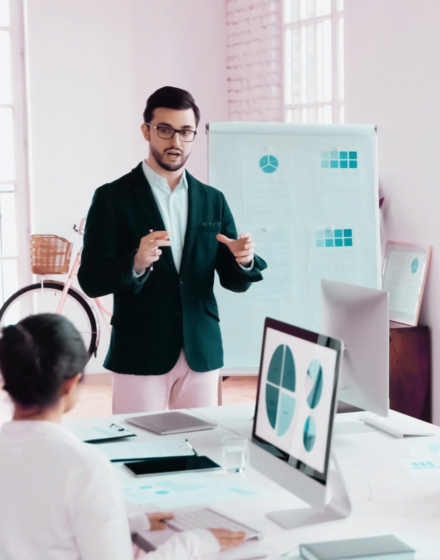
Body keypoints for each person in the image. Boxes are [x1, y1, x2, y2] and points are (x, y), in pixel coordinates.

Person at [78, 86, 266, 414]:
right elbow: (91, 279)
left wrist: (243, 260)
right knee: (138, 450)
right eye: (165, 130)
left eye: (185, 132)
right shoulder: (112, 198)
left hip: (201, 352)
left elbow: (233, 282)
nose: (175, 141)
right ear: (146, 130)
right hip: (140, 350)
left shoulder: (212, 200)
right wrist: (135, 262)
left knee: (201, 449)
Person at [0, 313, 246, 559]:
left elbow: (37, 527)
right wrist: (198, 542)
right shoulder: (84, 466)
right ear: (72, 384)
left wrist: (129, 523)